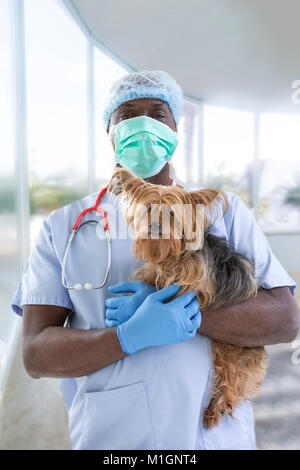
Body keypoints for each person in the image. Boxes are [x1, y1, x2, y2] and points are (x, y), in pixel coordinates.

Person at [11, 70, 300, 450]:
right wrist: (126, 336)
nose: (143, 123)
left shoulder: (221, 208)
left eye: (157, 114)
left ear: (176, 127)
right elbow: (36, 354)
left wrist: (190, 315)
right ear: (110, 131)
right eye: (127, 114)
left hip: (214, 437)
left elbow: (285, 320)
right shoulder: (65, 225)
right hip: (115, 439)